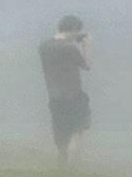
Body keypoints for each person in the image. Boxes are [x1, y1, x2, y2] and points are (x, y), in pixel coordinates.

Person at [37, 13, 92, 165]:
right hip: (73, 95)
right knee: (78, 128)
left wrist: (73, 41)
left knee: (61, 132)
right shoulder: (69, 48)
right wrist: (86, 46)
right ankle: (74, 164)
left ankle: (62, 163)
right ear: (74, 29)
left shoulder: (44, 46)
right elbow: (87, 65)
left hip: (54, 97)